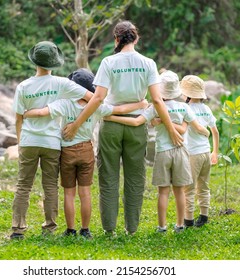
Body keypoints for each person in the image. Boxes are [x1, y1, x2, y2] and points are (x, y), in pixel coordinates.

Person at [62, 21, 183, 236]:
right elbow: (156, 99)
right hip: (136, 125)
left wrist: (76, 125)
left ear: (116, 39)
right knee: (135, 177)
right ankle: (131, 229)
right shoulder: (148, 63)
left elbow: (98, 97)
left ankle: (109, 229)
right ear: (136, 38)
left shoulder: (109, 62)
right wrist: (172, 129)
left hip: (110, 125)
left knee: (108, 176)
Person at [23, 68, 149, 239]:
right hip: (86, 151)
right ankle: (85, 229)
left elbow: (41, 112)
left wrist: (25, 113)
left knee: (69, 193)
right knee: (85, 193)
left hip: (67, 151)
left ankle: (70, 229)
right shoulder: (97, 107)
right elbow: (118, 109)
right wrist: (140, 105)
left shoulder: (65, 104)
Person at [104, 70, 210, 233]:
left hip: (162, 153)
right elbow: (193, 128)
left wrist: (111, 117)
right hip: (181, 152)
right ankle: (180, 225)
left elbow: (137, 121)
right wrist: (207, 132)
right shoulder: (184, 108)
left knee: (163, 192)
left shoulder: (155, 108)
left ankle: (162, 226)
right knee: (180, 191)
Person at [10, 41, 93, 240]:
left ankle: (18, 230)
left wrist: (20, 142)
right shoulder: (62, 83)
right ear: (54, 63)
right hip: (52, 142)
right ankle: (49, 227)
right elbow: (92, 97)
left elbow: (18, 118)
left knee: (23, 185)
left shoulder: (23, 86)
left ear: (35, 62)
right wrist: (78, 123)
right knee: (50, 186)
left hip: (29, 140)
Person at [181, 75, 220, 228]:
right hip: (206, 152)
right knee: (203, 185)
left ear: (187, 95)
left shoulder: (186, 109)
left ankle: (188, 221)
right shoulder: (206, 108)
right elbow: (215, 132)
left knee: (188, 188)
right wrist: (215, 152)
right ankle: (204, 216)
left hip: (193, 154)